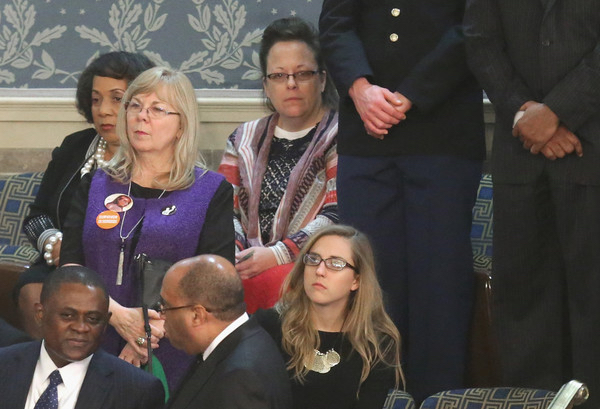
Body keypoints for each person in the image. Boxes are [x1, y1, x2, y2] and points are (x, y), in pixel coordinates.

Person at [318, 1, 486, 402]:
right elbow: (336, 24)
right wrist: (361, 89)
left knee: (440, 287)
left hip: (444, 137)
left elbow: (474, 25)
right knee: (370, 283)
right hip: (366, 138)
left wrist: (410, 95)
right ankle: (373, 397)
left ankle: (437, 398)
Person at [60, 66, 235, 394]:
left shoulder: (212, 190)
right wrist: (119, 317)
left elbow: (216, 280)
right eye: (135, 105)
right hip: (91, 331)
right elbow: (70, 266)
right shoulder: (95, 184)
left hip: (176, 342)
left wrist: (146, 336)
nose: (142, 116)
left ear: (182, 123)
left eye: (157, 109)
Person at [464, 1, 600, 407]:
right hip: (519, 153)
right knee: (524, 309)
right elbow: (480, 40)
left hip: (592, 147)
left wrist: (559, 112)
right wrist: (525, 112)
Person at [16, 51, 155, 339]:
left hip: (129, 270)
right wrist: (54, 243)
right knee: (35, 293)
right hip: (63, 269)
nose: (103, 110)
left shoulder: (157, 154)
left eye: (116, 98)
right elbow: (36, 217)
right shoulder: (74, 148)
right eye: (96, 99)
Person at [218, 17, 339, 314]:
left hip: (315, 265)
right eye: (278, 75)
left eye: (303, 74)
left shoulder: (342, 134)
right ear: (266, 85)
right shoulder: (243, 137)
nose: (291, 84)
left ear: (322, 79)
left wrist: (277, 255)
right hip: (245, 262)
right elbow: (223, 208)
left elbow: (338, 214)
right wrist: (237, 255)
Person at [255, 225, 403, 409]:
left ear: (356, 280)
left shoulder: (377, 343)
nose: (320, 270)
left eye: (335, 263)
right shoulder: (269, 325)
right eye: (314, 259)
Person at [0, 265, 164, 409]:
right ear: (40, 315)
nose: (81, 328)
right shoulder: (4, 365)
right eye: (68, 316)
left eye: (93, 319)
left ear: (106, 322)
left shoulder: (136, 391)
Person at [160, 254, 292, 409]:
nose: (162, 315)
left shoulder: (240, 381)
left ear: (197, 315)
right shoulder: (249, 338)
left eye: (166, 306)